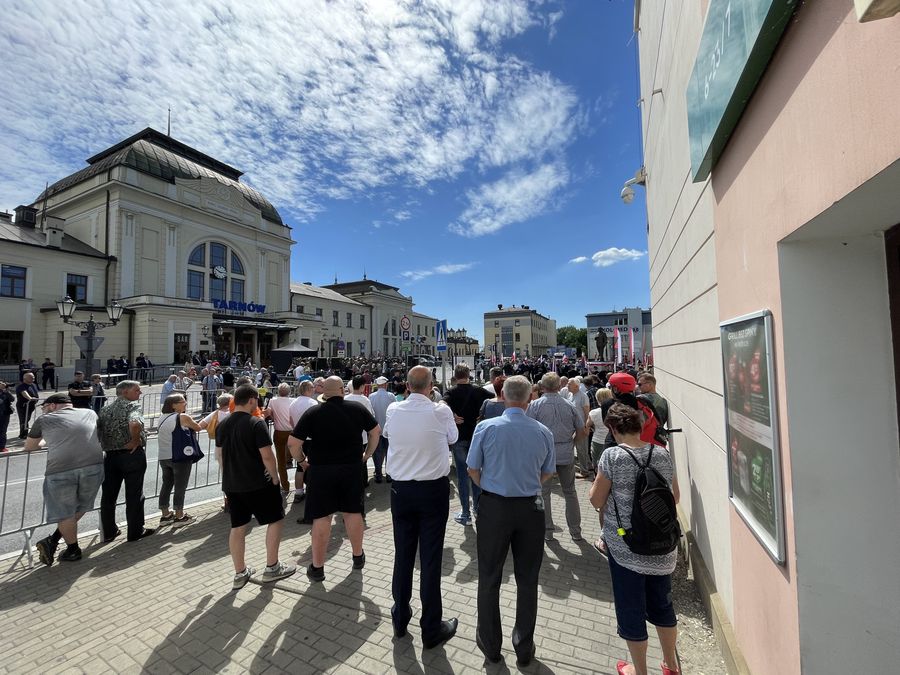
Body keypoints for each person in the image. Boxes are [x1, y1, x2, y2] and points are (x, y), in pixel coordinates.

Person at [466, 376, 555, 666]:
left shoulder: (486, 427)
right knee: (527, 580)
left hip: (494, 506)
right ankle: (524, 647)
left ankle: (491, 644)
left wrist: (491, 486)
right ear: (530, 398)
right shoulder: (542, 431)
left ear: (502, 395)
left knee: (489, 576)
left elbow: (473, 469)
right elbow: (546, 472)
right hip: (531, 508)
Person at [589, 403, 681, 675]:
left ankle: (639, 671)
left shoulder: (612, 456)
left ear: (614, 429)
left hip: (626, 546)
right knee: (663, 606)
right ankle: (671, 665)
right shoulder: (661, 454)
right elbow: (674, 497)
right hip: (663, 545)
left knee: (631, 610)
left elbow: (596, 499)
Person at [382, 366, 459, 649]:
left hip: (401, 490)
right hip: (431, 491)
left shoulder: (393, 409)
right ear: (430, 385)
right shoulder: (440, 411)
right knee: (429, 559)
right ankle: (430, 628)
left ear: (407, 386)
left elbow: (390, 433)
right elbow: (452, 438)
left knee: (403, 555)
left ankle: (400, 617)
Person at [288, 377, 380, 581]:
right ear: (341, 390)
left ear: (324, 394)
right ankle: (358, 556)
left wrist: (303, 461)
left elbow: (293, 443)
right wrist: (367, 454)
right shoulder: (356, 408)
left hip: (321, 471)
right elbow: (375, 431)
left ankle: (318, 567)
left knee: (322, 518)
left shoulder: (313, 412)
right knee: (353, 513)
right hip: (351, 469)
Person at [217, 384, 296, 589]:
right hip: (258, 482)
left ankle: (240, 572)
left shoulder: (223, 424)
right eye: (257, 401)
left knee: (238, 527)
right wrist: (276, 478)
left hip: (233, 484)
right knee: (276, 520)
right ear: (252, 400)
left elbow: (219, 456)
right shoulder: (256, 423)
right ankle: (272, 567)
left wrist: (229, 475)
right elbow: (267, 456)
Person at [26, 393, 104, 565]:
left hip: (60, 470)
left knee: (64, 512)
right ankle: (53, 541)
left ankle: (73, 549)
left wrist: (45, 442)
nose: (44, 410)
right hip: (94, 466)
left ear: (52, 405)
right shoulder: (90, 413)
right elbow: (94, 435)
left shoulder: (44, 419)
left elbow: (30, 446)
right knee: (82, 506)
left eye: (44, 407)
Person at [526, 372, 585, 542]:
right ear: (560, 386)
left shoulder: (535, 406)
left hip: (543, 455)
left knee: (544, 493)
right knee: (570, 492)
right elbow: (581, 431)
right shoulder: (569, 405)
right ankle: (575, 531)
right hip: (565, 452)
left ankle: (547, 530)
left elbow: (529, 430)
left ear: (542, 387)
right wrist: (572, 443)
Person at [97, 381, 154, 542]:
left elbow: (98, 430)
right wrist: (135, 440)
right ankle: (135, 530)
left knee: (108, 495)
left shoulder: (105, 409)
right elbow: (135, 423)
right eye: (136, 390)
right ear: (125, 392)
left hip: (110, 456)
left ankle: (109, 531)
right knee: (134, 493)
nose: (140, 393)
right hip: (131, 454)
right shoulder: (132, 406)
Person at [443, 364, 492, 525]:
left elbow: (441, 405)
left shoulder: (451, 392)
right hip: (476, 437)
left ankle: (465, 513)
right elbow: (496, 397)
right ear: (468, 375)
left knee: (463, 477)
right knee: (476, 472)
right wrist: (482, 414)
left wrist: (452, 415)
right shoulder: (479, 391)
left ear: (456, 377)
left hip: (459, 438)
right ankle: (477, 508)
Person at [157, 394, 202, 527]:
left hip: (164, 456)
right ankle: (179, 516)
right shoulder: (182, 417)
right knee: (180, 486)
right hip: (179, 456)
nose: (185, 404)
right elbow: (198, 427)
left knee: (166, 484)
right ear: (174, 405)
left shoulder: (161, 418)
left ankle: (165, 515)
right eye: (183, 402)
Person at [287, 380, 318, 503]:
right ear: (309, 389)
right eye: (313, 387)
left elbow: (291, 422)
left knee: (300, 466)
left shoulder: (293, 403)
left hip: (298, 438)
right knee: (314, 465)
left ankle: (299, 492)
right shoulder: (313, 403)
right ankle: (313, 490)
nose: (314, 389)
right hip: (312, 439)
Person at [264, 383, 295, 504]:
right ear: (289, 391)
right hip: (292, 432)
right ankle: (300, 486)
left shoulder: (273, 401)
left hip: (280, 432)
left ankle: (285, 485)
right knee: (300, 456)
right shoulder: (293, 400)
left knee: (280, 460)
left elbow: (269, 413)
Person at [368, 376, 394, 483]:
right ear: (385, 384)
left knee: (377, 453)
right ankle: (389, 474)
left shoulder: (371, 396)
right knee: (389, 452)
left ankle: (378, 474)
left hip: (376, 429)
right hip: (389, 429)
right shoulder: (391, 396)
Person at [15, 372, 39, 439]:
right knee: (23, 420)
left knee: (27, 419)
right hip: (23, 406)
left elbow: (36, 393)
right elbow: (24, 393)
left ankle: (25, 432)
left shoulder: (33, 385)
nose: (33, 378)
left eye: (33, 377)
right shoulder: (21, 386)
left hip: (31, 406)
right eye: (31, 377)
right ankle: (23, 435)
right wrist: (30, 398)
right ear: (25, 378)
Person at [0, 381, 13, 451]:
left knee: (3, 430)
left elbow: (12, 399)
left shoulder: (5, 392)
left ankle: (2, 446)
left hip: (5, 414)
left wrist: (7, 391)